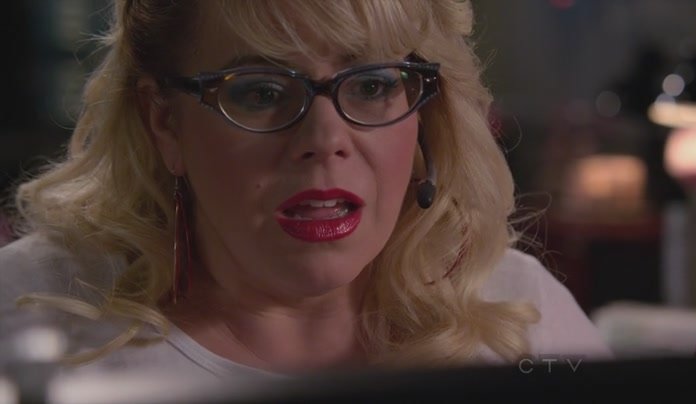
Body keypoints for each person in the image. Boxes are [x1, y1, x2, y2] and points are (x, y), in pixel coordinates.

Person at [0, 0, 611, 386]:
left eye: (371, 85)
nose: (325, 140)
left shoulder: (513, 311)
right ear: (164, 122)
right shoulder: (28, 310)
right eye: (261, 92)